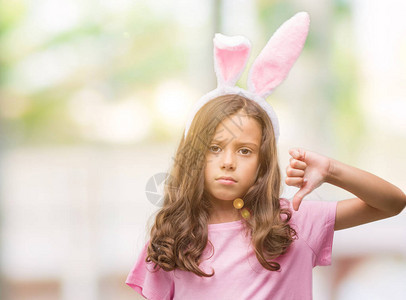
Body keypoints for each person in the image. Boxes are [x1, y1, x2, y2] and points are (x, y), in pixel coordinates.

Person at [125, 12, 406, 299]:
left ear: (262, 164)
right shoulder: (169, 240)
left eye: (245, 151)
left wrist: (331, 169)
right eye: (214, 148)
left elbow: (392, 202)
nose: (228, 161)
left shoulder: (292, 222)